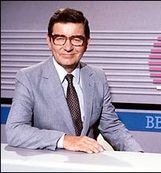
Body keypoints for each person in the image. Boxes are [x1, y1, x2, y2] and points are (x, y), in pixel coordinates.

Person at [5, 8, 143, 154]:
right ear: (49, 42)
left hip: (89, 165)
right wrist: (65, 139)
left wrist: (139, 157)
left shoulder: (97, 76)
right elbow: (15, 131)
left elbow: (112, 127)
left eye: (76, 39)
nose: (68, 47)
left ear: (87, 43)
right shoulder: (28, 77)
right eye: (60, 38)